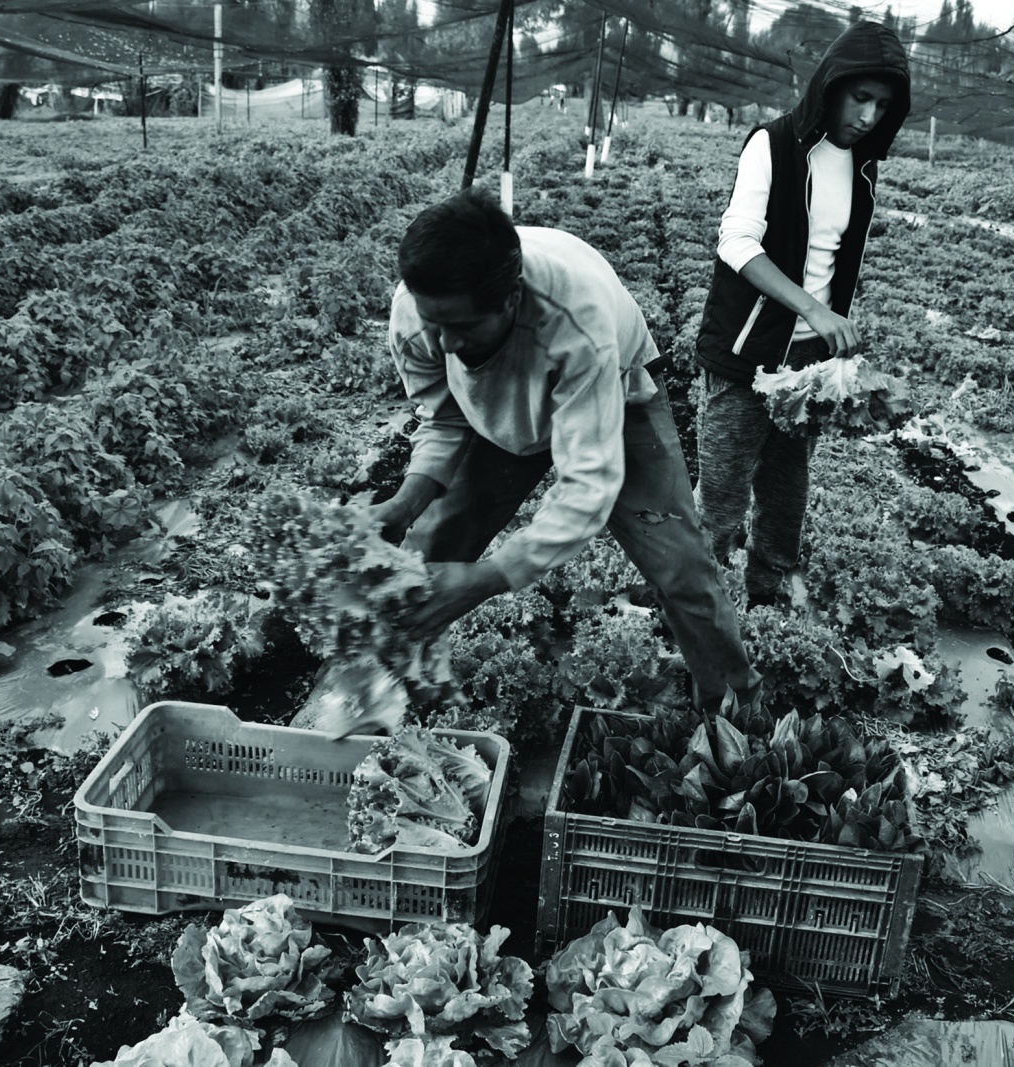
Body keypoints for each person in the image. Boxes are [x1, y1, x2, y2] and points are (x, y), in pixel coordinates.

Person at [371, 186, 757, 711]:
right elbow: (444, 417)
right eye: (432, 324)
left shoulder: (576, 321)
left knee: (681, 567)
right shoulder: (420, 311)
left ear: (510, 299)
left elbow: (587, 487)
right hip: (497, 413)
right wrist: (405, 501)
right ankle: (386, 700)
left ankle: (733, 698)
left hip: (617, 397)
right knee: (429, 553)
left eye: (460, 328)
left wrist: (486, 579)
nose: (442, 344)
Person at [693, 20, 912, 609]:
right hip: (745, 352)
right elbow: (736, 242)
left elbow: (834, 260)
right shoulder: (773, 144)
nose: (868, 116)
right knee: (720, 496)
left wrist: (830, 331)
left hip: (808, 365)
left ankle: (765, 601)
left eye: (882, 105)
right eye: (859, 97)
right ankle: (695, 610)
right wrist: (814, 309)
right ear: (831, 86)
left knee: (786, 495)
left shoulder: (862, 169)